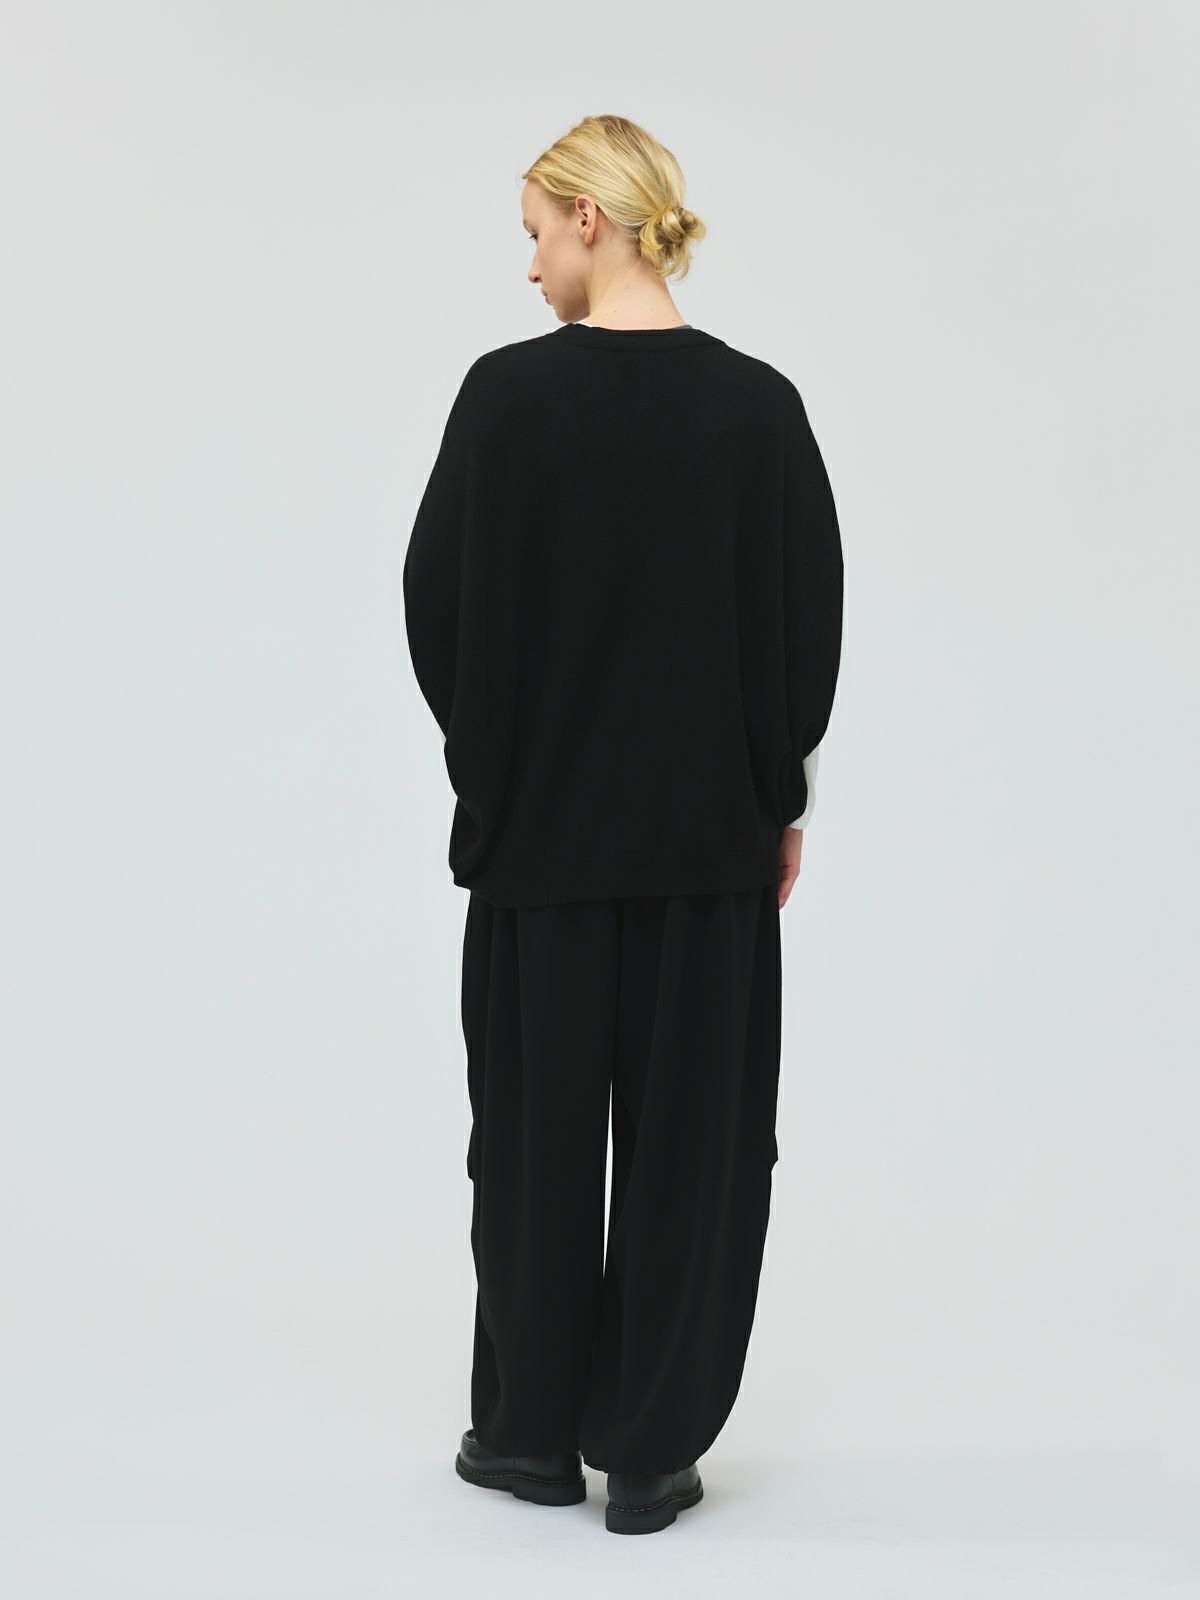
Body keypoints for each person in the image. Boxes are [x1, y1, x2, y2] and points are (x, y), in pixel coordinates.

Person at [403, 113, 844, 1535]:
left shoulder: (505, 400)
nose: (529, 264)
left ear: (591, 219)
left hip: (539, 854)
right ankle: (652, 1453)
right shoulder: (759, 411)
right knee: (696, 1153)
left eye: (536, 232)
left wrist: (496, 770)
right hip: (708, 854)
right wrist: (778, 797)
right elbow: (807, 623)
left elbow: (435, 604)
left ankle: (529, 1437)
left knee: (530, 1150)